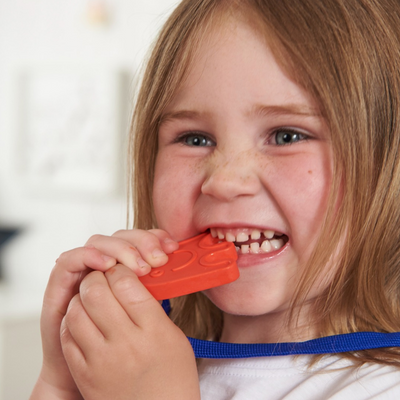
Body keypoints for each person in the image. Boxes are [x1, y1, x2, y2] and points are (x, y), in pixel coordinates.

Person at [30, 0, 400, 398]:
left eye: (287, 135)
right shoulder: (131, 369)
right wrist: (62, 382)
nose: (224, 181)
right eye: (195, 139)